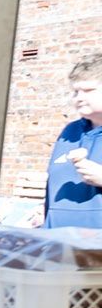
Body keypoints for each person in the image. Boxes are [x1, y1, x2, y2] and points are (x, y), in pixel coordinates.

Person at [44, 54, 102, 230]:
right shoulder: (70, 132)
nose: (79, 98)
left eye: (88, 90)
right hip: (57, 238)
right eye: (76, 92)